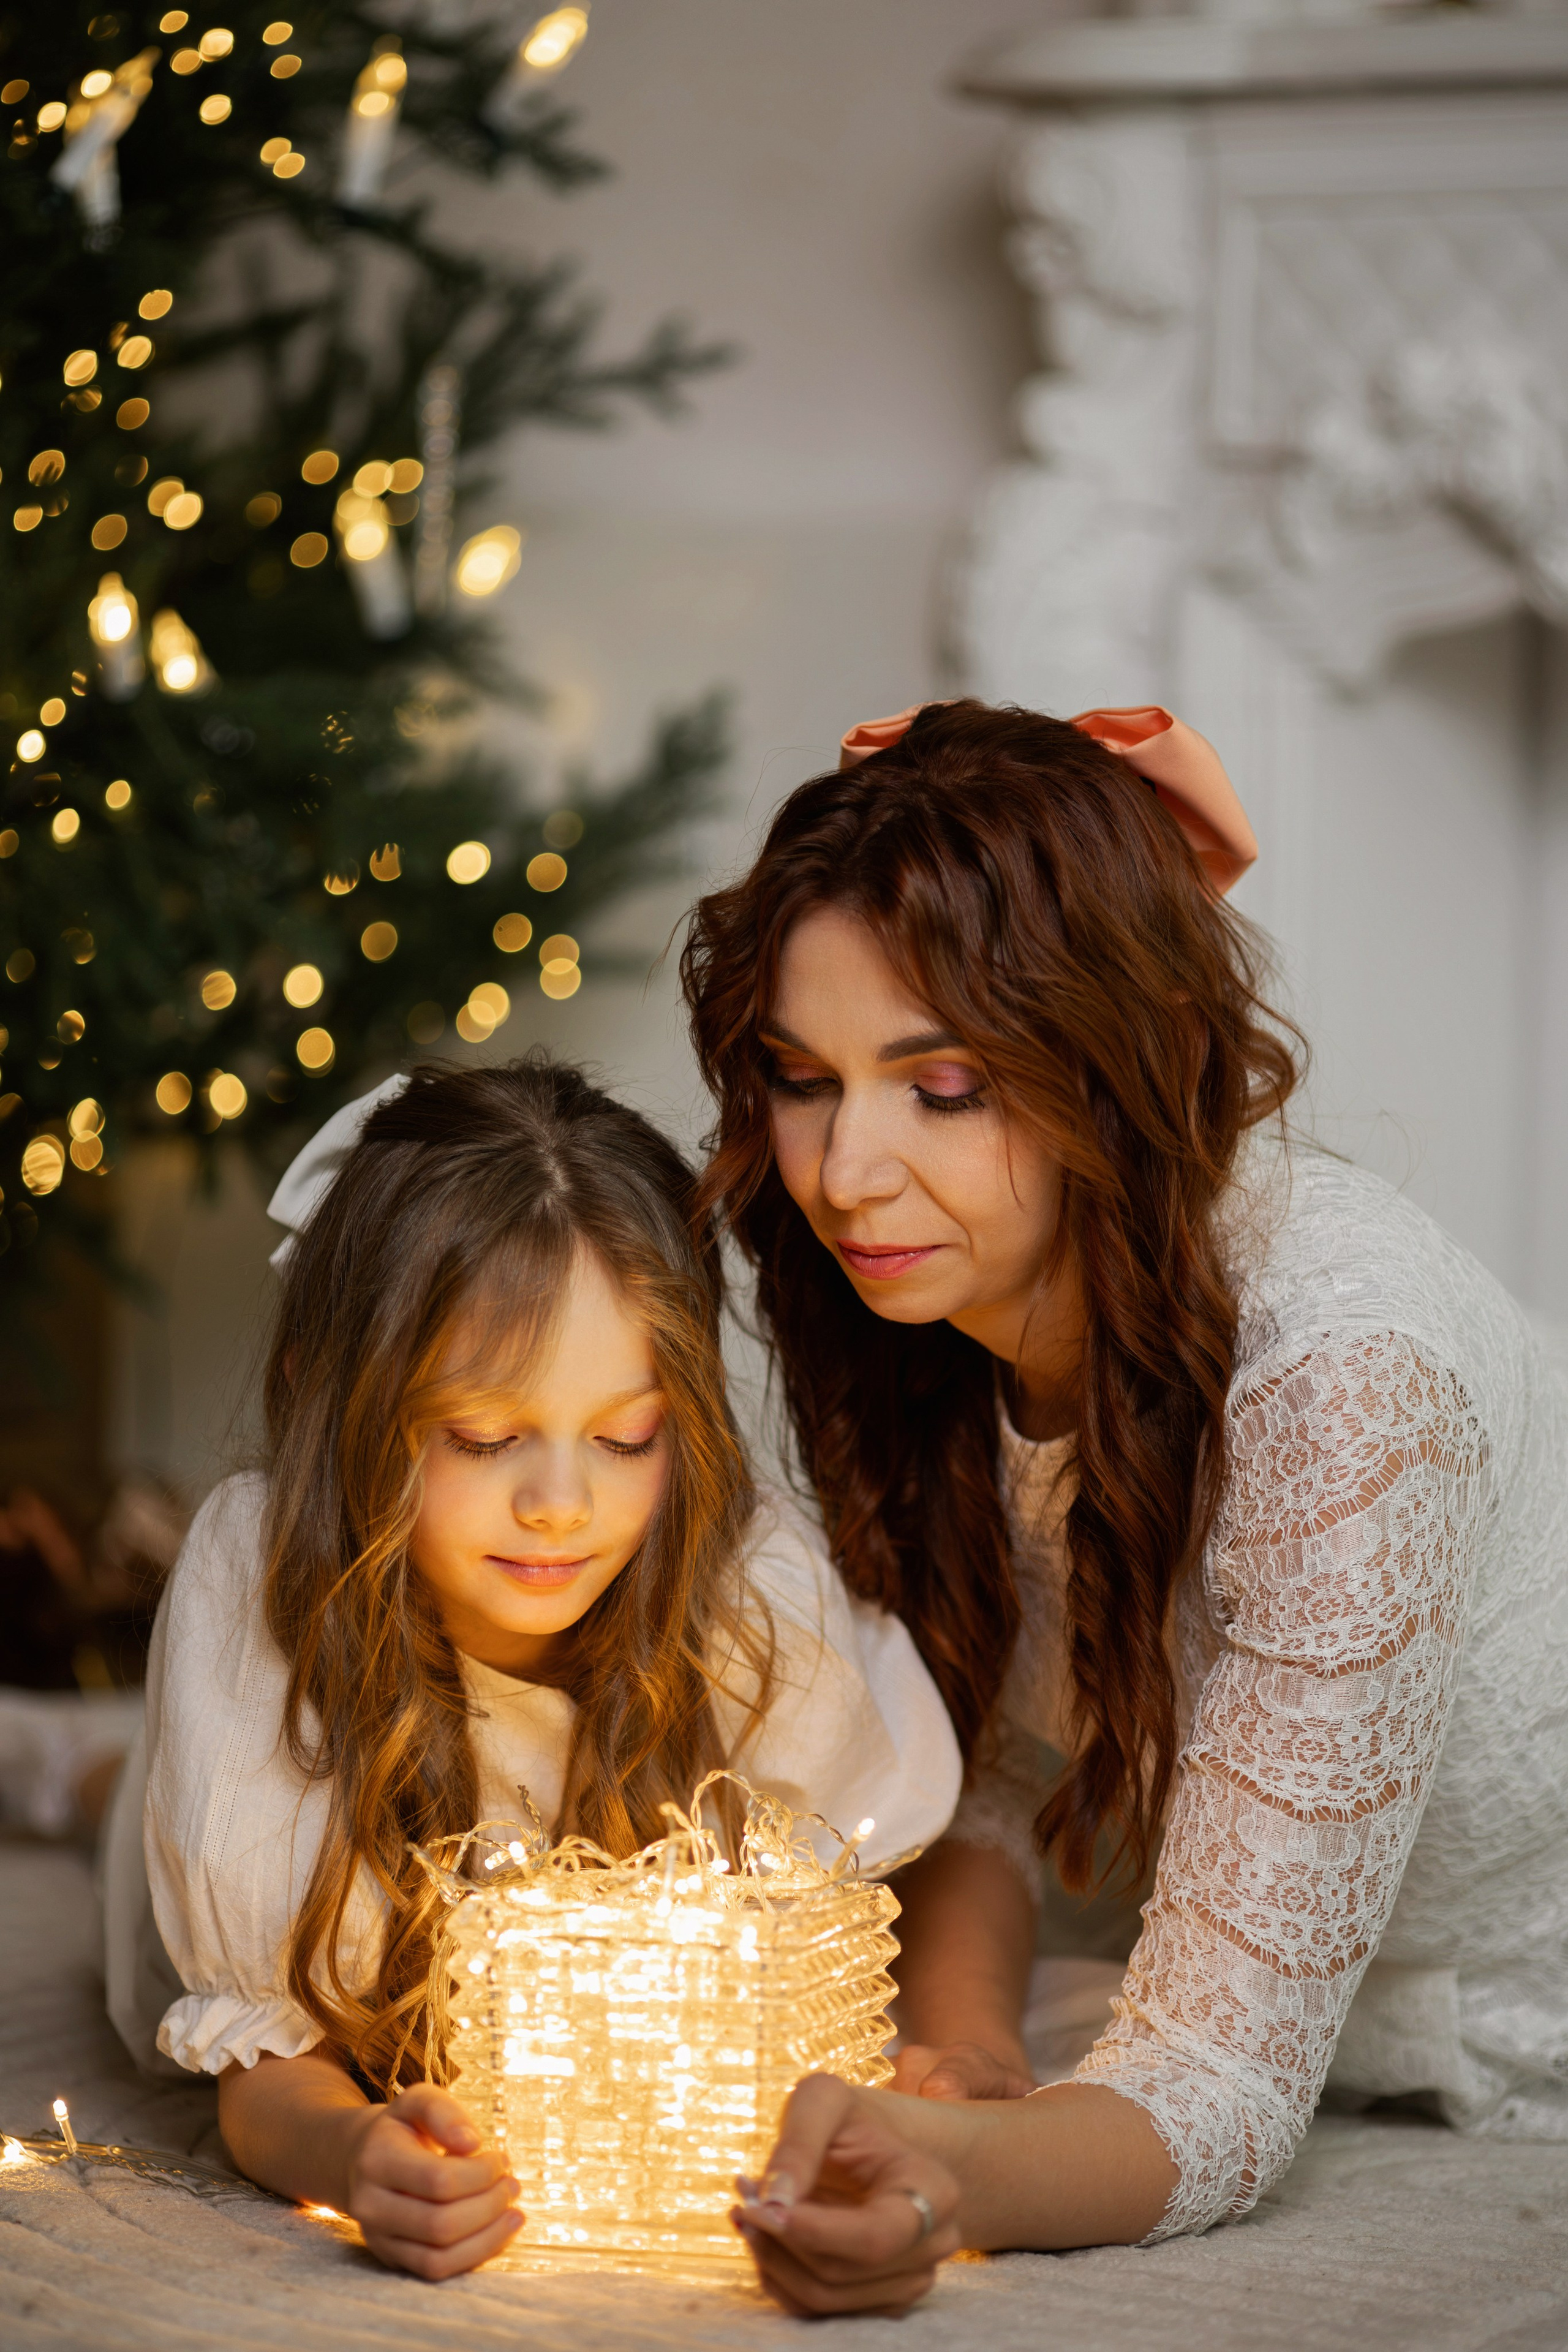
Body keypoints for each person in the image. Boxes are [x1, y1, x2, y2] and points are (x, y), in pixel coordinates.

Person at [681, 697, 1568, 2314]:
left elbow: (1223, 2086)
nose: (845, 1173)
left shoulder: (1344, 1374)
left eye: (941, 1082)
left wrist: (945, 2179)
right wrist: (959, 2055)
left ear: (1119, 1057)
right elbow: (995, 1780)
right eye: (804, 1080)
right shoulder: (938, 1312)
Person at [102, 1055, 960, 2280]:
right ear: (332, 1404)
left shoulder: (743, 1597)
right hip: (226, 1785)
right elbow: (264, 2067)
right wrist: (352, 2155)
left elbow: (837, 1947)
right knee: (117, 1794)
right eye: (486, 1436)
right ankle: (74, 1764)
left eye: (624, 1437)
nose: (560, 1505)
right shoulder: (258, 1585)